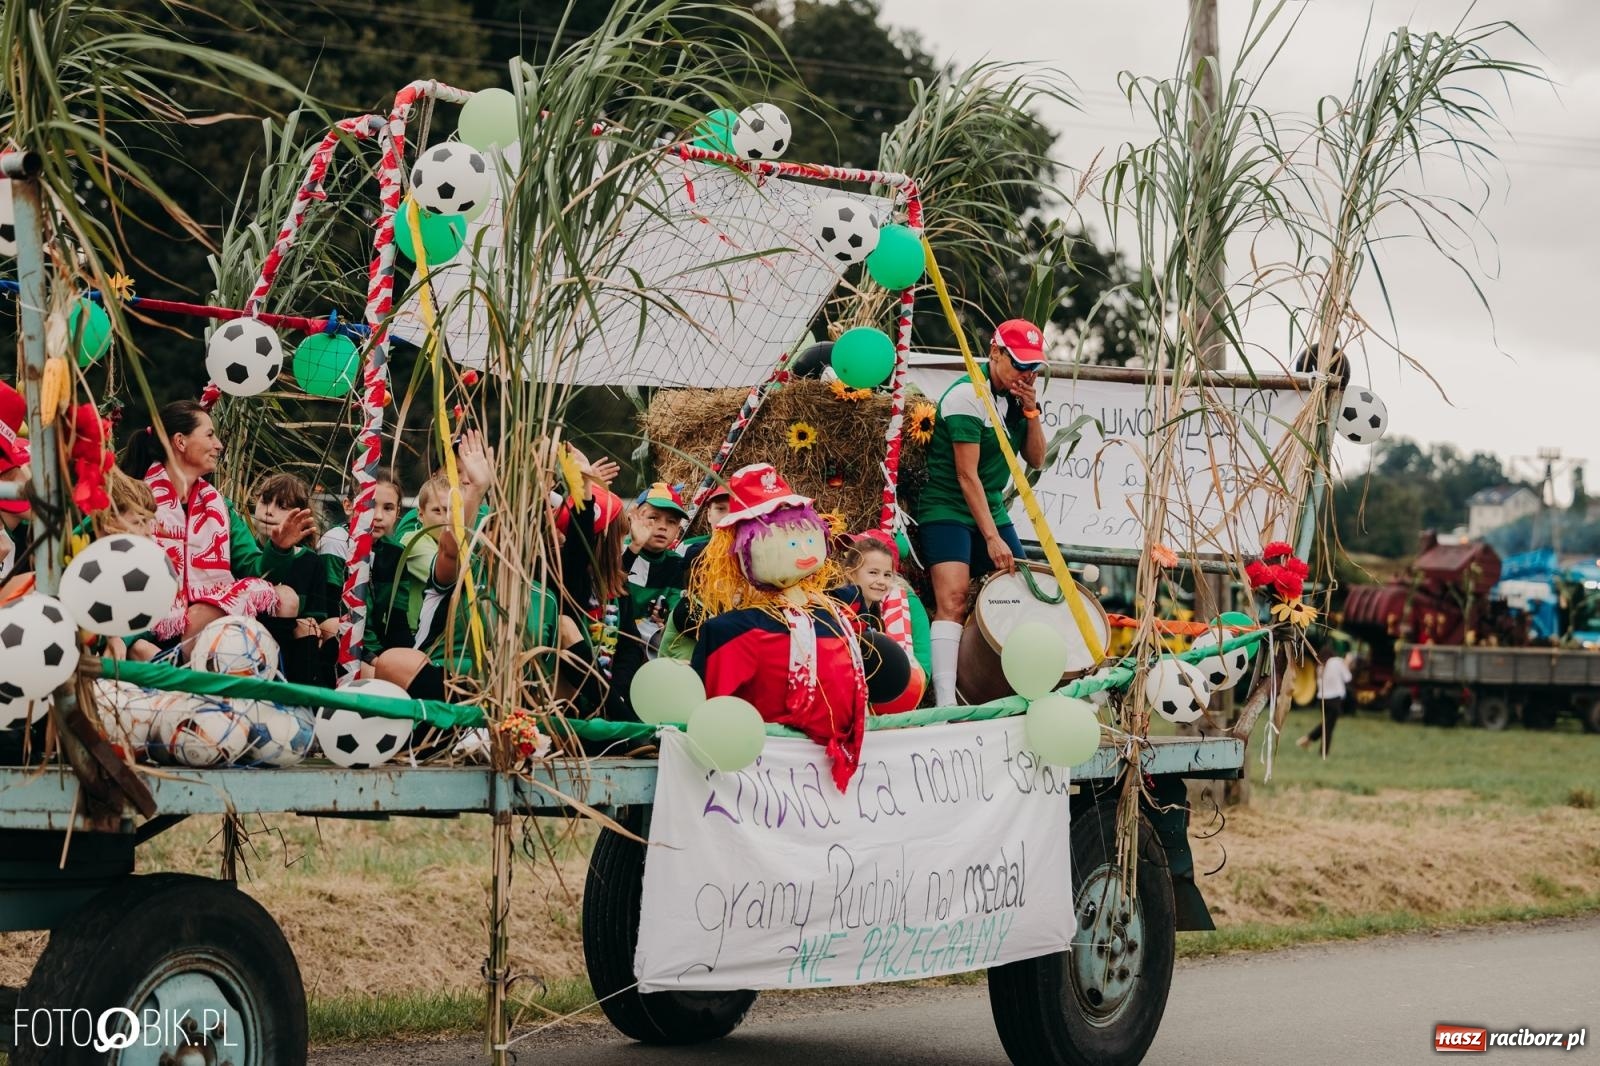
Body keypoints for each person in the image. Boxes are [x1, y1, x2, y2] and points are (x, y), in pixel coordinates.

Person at [916, 319, 1049, 706]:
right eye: (1019, 363)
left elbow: (1036, 458)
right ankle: (944, 702)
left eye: (1033, 367)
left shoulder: (1018, 397)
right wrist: (991, 538)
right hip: (947, 505)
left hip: (989, 502)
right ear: (995, 353)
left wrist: (1031, 411)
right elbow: (965, 475)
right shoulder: (966, 396)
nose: (1026, 373)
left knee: (1021, 594)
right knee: (954, 599)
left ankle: (1001, 690)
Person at [121, 400, 311, 657]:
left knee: (285, 597)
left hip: (204, 624)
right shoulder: (133, 500)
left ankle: (269, 680)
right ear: (180, 442)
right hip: (149, 625)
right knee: (195, 617)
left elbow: (256, 570)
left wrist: (279, 548)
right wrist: (130, 640)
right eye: (210, 435)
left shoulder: (221, 507)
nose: (218, 444)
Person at [624, 482, 688, 649]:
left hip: (651, 645)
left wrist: (666, 617)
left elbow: (675, 607)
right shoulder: (620, 551)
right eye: (653, 517)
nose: (662, 526)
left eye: (671, 521)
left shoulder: (677, 564)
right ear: (634, 517)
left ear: (678, 530)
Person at [1301, 641, 1352, 756]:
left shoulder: (1320, 666)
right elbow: (1348, 678)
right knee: (1328, 727)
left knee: (1327, 724)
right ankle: (1322, 752)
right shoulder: (1336, 662)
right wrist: (1347, 663)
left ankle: (1308, 740)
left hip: (1322, 700)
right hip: (1335, 699)